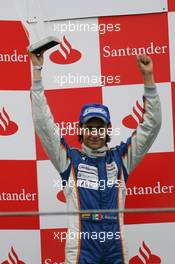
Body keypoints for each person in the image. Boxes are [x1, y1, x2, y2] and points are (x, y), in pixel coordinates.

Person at [28, 50, 161, 264]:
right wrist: (37, 71)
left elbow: (151, 127)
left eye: (99, 128)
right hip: (81, 251)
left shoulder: (121, 158)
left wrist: (148, 79)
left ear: (108, 130)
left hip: (115, 249)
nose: (94, 134)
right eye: (89, 128)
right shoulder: (69, 160)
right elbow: (44, 124)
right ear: (80, 129)